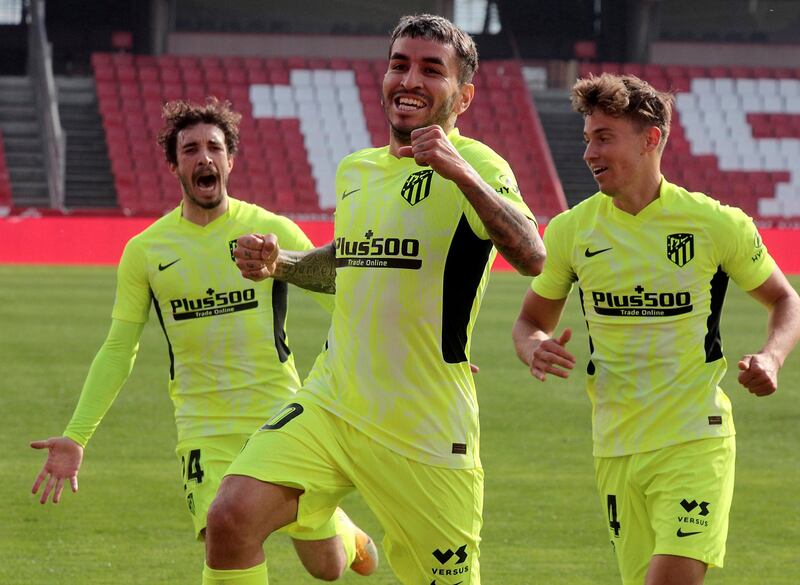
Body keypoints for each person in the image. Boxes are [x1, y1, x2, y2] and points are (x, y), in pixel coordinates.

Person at [201, 14, 546, 585]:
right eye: (399, 65)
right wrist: (281, 265)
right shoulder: (355, 170)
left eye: (431, 70)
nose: (409, 79)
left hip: (425, 425)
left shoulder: (480, 165)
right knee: (230, 518)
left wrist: (459, 170)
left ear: (462, 96)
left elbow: (533, 253)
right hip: (333, 402)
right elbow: (349, 262)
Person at [30, 97, 377, 581]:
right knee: (224, 529)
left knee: (329, 568)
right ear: (174, 164)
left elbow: (340, 301)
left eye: (214, 147)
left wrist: (410, 349)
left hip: (281, 417)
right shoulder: (147, 251)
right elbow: (119, 347)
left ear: (230, 160)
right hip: (202, 429)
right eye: (190, 149)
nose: (204, 157)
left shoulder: (271, 230)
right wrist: (76, 436)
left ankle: (342, 530)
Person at [512, 73, 800, 585]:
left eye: (604, 138)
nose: (589, 154)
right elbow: (531, 321)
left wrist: (772, 357)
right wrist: (533, 346)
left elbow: (784, 300)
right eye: (587, 139)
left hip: (695, 440)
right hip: (615, 446)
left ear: (651, 139)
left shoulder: (715, 224)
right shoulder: (570, 231)